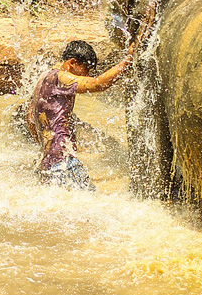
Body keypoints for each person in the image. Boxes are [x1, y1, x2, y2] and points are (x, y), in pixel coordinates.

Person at [26, 40, 137, 190]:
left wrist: (47, 148)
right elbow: (97, 84)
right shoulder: (61, 77)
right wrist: (127, 60)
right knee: (95, 206)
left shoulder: (43, 78)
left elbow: (30, 118)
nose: (87, 75)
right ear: (72, 63)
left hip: (47, 163)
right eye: (86, 70)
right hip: (63, 164)